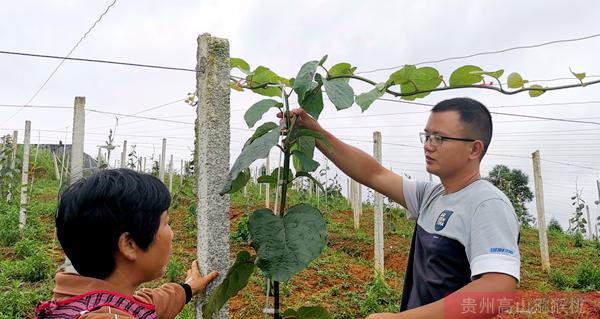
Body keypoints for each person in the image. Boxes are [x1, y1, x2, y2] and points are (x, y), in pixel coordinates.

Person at [285, 97, 520, 318]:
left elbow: (499, 288)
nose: (428, 146)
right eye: (427, 136)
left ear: (474, 149)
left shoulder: (486, 203)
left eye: (439, 138)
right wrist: (316, 133)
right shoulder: (432, 195)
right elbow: (373, 173)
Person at [37, 169, 218, 319]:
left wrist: (188, 288)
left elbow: (147, 305)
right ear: (130, 245)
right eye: (166, 223)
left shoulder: (76, 299)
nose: (171, 233)